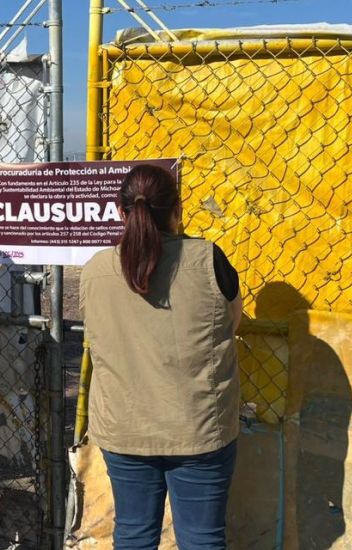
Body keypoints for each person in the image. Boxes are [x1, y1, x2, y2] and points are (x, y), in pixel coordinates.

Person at [81, 164, 243, 550]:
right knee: (202, 539)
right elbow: (231, 321)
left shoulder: (95, 269)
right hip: (198, 427)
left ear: (120, 212)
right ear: (178, 209)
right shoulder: (208, 258)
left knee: (133, 534)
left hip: (124, 428)